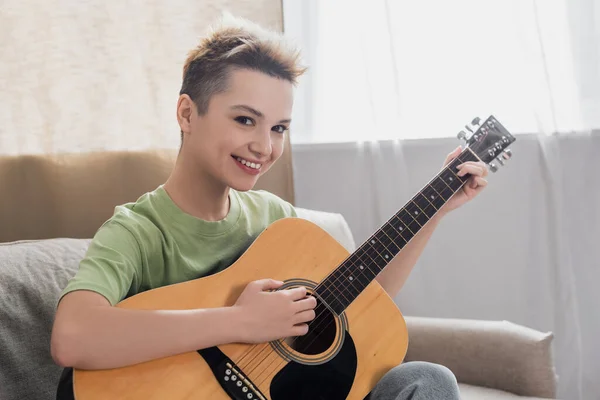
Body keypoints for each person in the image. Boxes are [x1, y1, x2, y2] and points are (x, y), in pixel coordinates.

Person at [51, 12, 489, 400]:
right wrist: (239, 322)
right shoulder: (137, 230)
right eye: (245, 119)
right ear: (187, 114)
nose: (264, 146)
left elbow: (363, 302)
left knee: (428, 381)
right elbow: (72, 338)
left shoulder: (276, 220)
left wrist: (435, 210)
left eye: (279, 127)